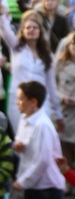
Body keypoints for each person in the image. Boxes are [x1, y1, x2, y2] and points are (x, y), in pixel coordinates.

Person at [0, 10, 63, 132]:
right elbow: (4, 30)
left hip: (41, 101)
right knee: (22, 136)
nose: (31, 30)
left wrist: (58, 114)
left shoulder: (47, 55)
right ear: (22, 31)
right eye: (28, 28)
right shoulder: (17, 48)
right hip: (18, 100)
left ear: (40, 32)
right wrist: (0, 11)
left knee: (40, 135)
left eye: (35, 28)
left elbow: (51, 85)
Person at [12, 81, 66, 197]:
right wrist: (17, 145)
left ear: (33, 102)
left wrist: (23, 182)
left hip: (47, 188)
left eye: (21, 99)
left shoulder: (42, 125)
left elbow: (43, 160)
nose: (17, 103)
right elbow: (19, 141)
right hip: (33, 185)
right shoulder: (24, 118)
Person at [56, 32, 75, 178]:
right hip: (64, 111)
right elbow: (51, 87)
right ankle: (68, 180)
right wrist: (63, 98)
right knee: (65, 148)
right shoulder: (60, 64)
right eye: (73, 44)